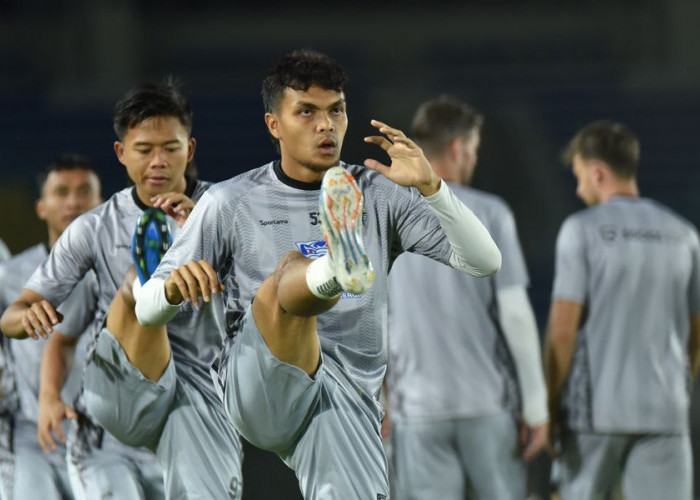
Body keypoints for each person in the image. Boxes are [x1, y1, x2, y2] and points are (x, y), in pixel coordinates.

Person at [134, 49, 502, 499]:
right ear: (274, 125)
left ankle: (336, 268)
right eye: (306, 112)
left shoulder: (378, 193)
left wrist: (432, 187)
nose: (325, 125)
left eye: (336, 111)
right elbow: (147, 309)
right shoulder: (230, 201)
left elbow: (484, 262)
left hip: (348, 395)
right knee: (286, 277)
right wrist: (172, 288)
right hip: (263, 383)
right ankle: (334, 269)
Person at [0, 81, 243, 499]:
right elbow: (13, 316)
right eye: (144, 149)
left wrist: (208, 235)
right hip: (119, 396)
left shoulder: (226, 212)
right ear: (121, 153)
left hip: (200, 399)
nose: (158, 162)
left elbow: (264, 295)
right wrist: (28, 317)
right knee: (133, 287)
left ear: (191, 149)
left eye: (170, 147)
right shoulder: (94, 227)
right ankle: (144, 288)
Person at [383, 95, 548, 499]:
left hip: (416, 409)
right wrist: (537, 405)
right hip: (488, 405)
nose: (473, 159)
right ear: (458, 147)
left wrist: (380, 399)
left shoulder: (388, 215)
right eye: (473, 150)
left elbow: (373, 317)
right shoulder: (491, 212)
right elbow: (515, 315)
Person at [544, 120, 700, 499]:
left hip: (594, 417)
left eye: (580, 177)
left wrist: (546, 405)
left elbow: (563, 332)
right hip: (665, 414)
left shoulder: (581, 230)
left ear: (597, 173)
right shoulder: (685, 234)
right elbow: (697, 331)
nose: (579, 189)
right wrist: (681, 386)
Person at [0, 154, 101, 500]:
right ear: (41, 207)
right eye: (61, 192)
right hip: (31, 437)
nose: (73, 201)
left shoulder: (118, 270)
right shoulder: (12, 273)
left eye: (84, 191)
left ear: (101, 203)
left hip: (103, 435)